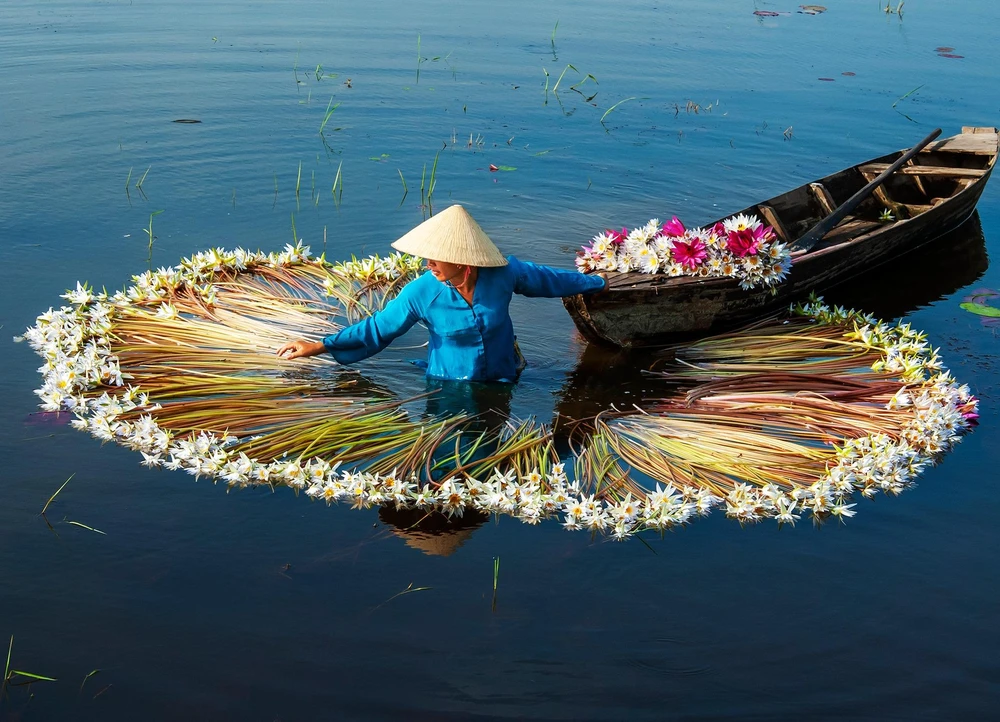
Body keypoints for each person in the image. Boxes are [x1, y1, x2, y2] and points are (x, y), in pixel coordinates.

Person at [277, 204, 607, 382]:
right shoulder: (421, 292)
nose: (428, 262)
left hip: (507, 375)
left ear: (464, 260)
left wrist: (600, 282)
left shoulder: (504, 273)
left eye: (437, 257)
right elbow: (378, 329)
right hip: (451, 386)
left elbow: (551, 281)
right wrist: (320, 345)